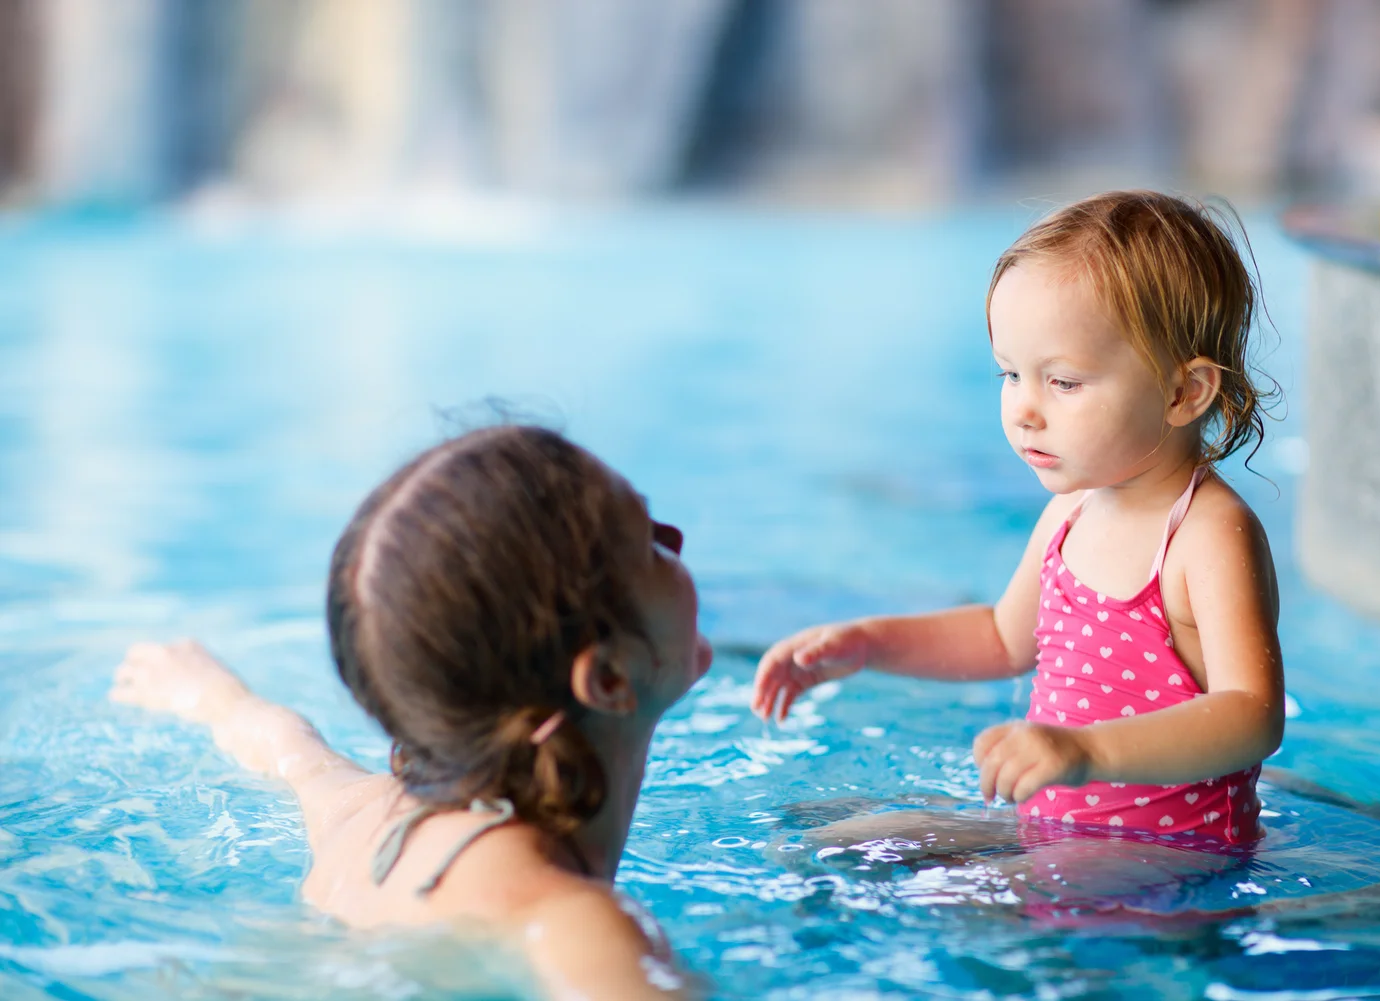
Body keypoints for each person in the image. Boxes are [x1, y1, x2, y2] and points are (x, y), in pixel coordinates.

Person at [753, 191, 1283, 845]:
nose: (1023, 410)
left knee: (951, 908)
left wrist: (1088, 751)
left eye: (1062, 382)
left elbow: (1252, 714)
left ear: (1183, 391)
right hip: (1056, 826)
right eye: (1010, 374)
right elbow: (1004, 639)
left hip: (1167, 850)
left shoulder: (1205, 534)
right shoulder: (1072, 509)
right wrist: (868, 643)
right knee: (836, 844)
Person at [111, 425, 714, 1000]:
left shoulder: (363, 816)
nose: (679, 540)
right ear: (609, 679)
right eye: (654, 545)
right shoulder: (573, 923)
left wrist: (212, 694)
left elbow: (284, 747)